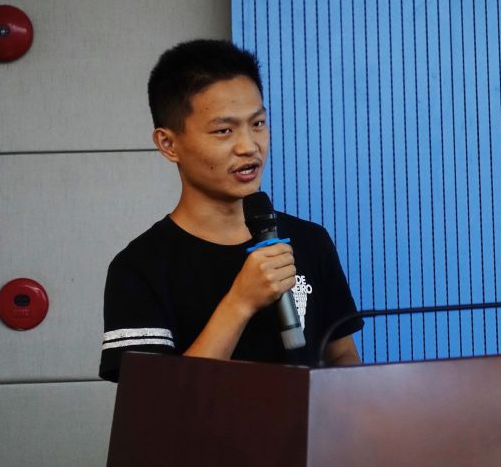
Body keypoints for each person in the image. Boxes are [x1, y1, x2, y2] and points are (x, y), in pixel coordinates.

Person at [99, 39, 363, 382]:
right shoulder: (139, 267)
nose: (249, 146)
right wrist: (240, 302)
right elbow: (154, 398)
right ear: (168, 144)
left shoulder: (310, 240)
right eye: (224, 131)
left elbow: (342, 355)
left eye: (258, 124)